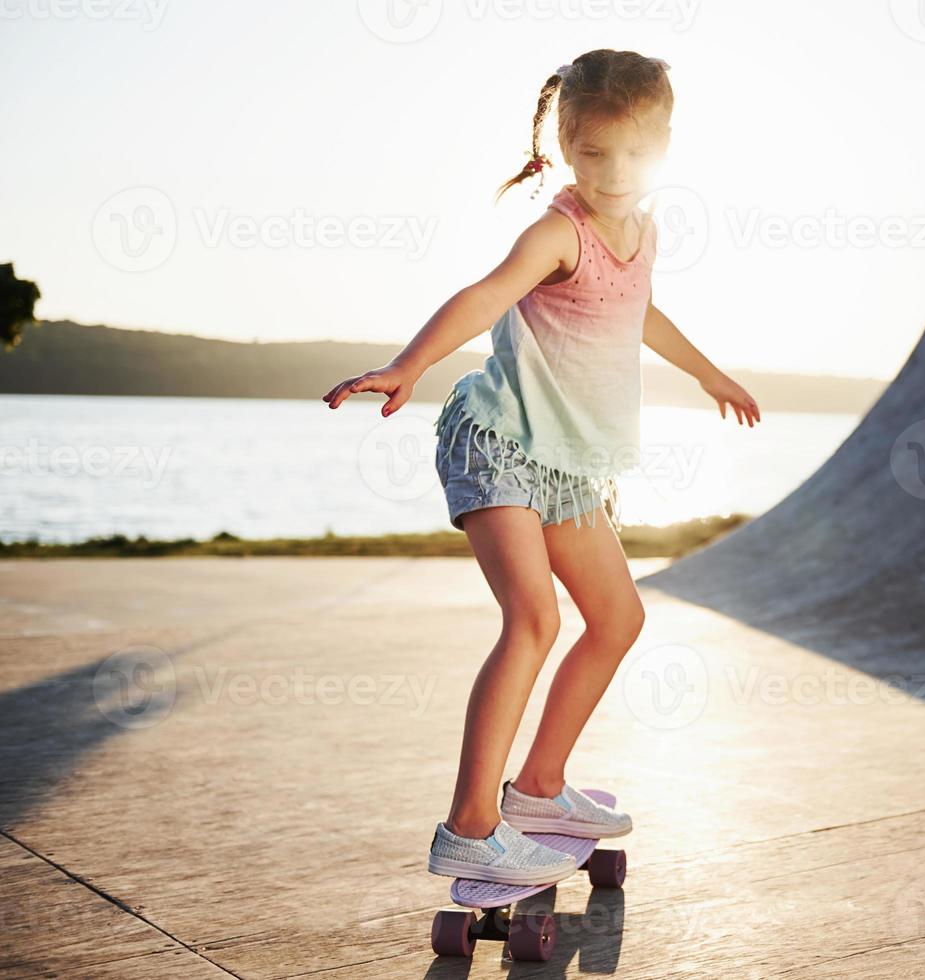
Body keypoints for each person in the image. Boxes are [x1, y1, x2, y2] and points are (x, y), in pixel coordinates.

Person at [321, 48, 760, 886]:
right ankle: (470, 825)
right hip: (496, 441)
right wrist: (411, 365)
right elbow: (488, 293)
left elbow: (639, 309)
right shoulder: (559, 231)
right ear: (565, 145)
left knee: (619, 618)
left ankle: (540, 788)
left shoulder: (644, 226)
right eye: (593, 153)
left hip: (564, 464)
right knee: (532, 621)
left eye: (632, 153)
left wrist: (708, 373)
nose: (613, 172)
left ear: (665, 143)